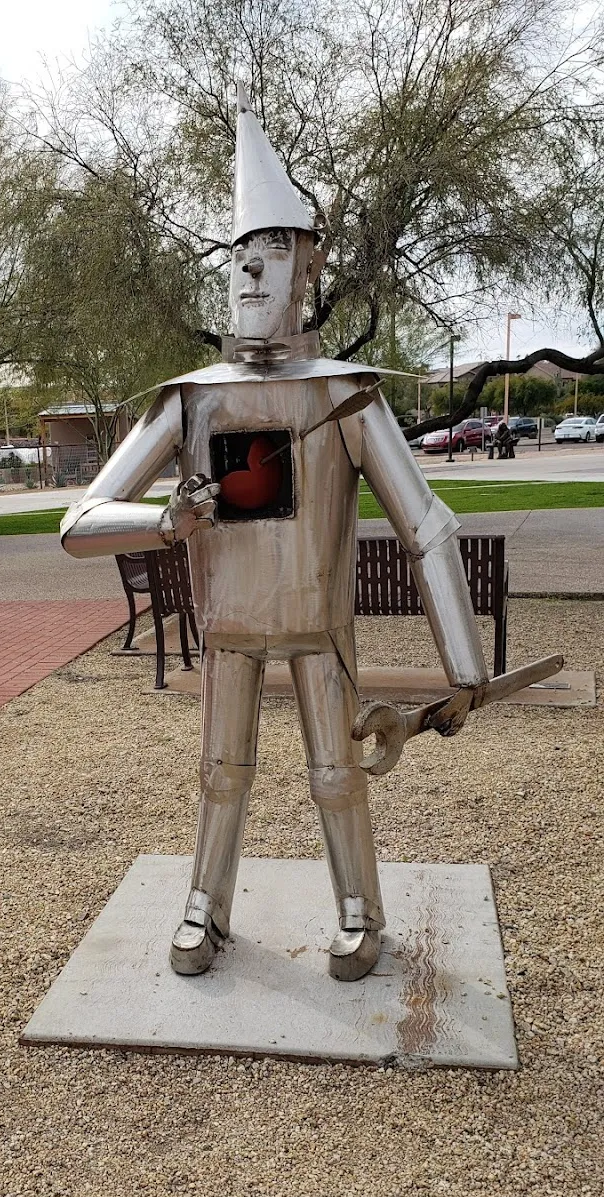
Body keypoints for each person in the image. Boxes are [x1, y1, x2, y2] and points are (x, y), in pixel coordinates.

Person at [60, 84, 488, 982]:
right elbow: (80, 520)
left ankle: (359, 909)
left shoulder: (342, 393)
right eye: (241, 255)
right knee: (221, 767)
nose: (252, 272)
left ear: (309, 270)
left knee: (336, 773)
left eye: (274, 254)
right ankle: (204, 905)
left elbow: (427, 524)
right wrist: (166, 518)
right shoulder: (191, 397)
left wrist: (466, 669)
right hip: (229, 623)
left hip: (317, 618)